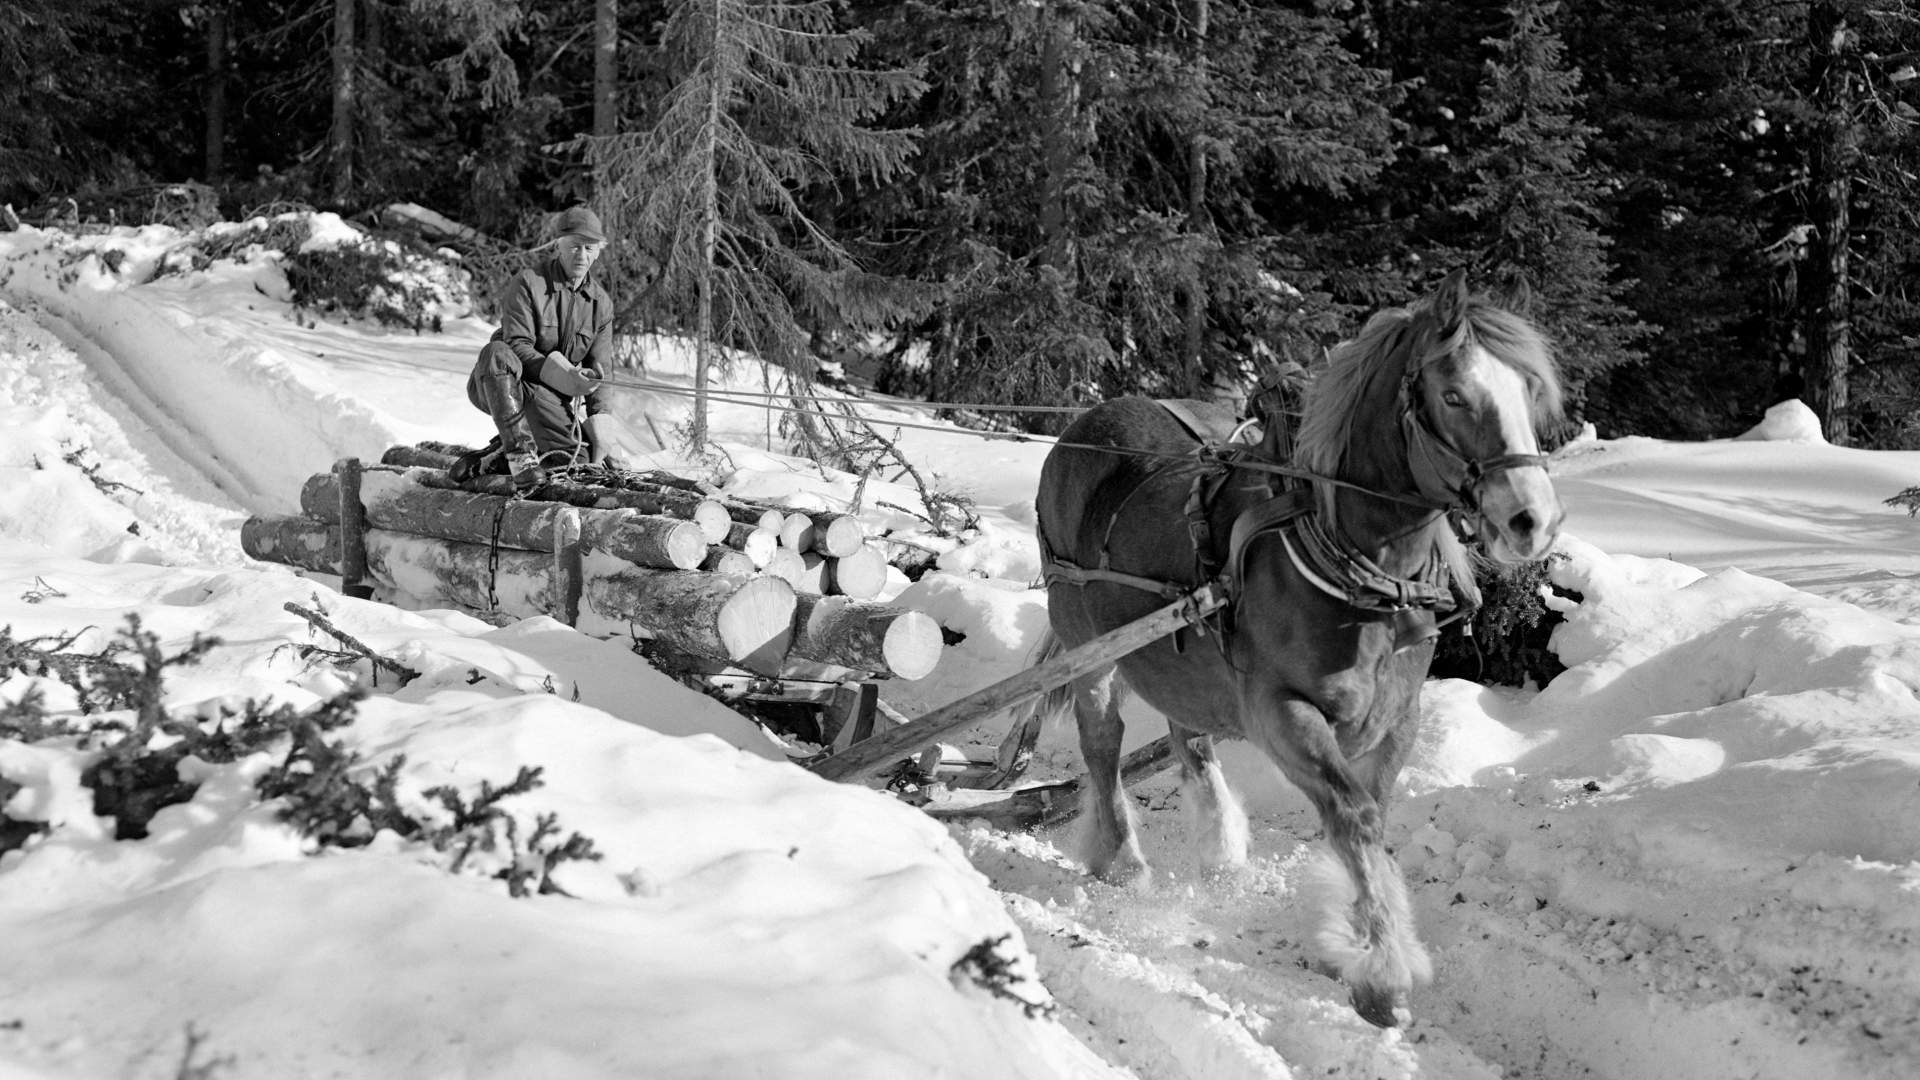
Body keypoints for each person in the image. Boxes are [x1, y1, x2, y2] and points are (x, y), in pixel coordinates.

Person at [454, 205, 625, 492]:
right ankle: (520, 456)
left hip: (546, 399)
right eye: (573, 247)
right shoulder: (528, 283)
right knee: (496, 350)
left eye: (588, 248)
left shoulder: (601, 304)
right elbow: (516, 346)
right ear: (559, 245)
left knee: (575, 461)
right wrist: (563, 373)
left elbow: (602, 369)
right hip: (502, 383)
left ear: (598, 250)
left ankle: (497, 456)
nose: (581, 255)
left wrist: (602, 428)